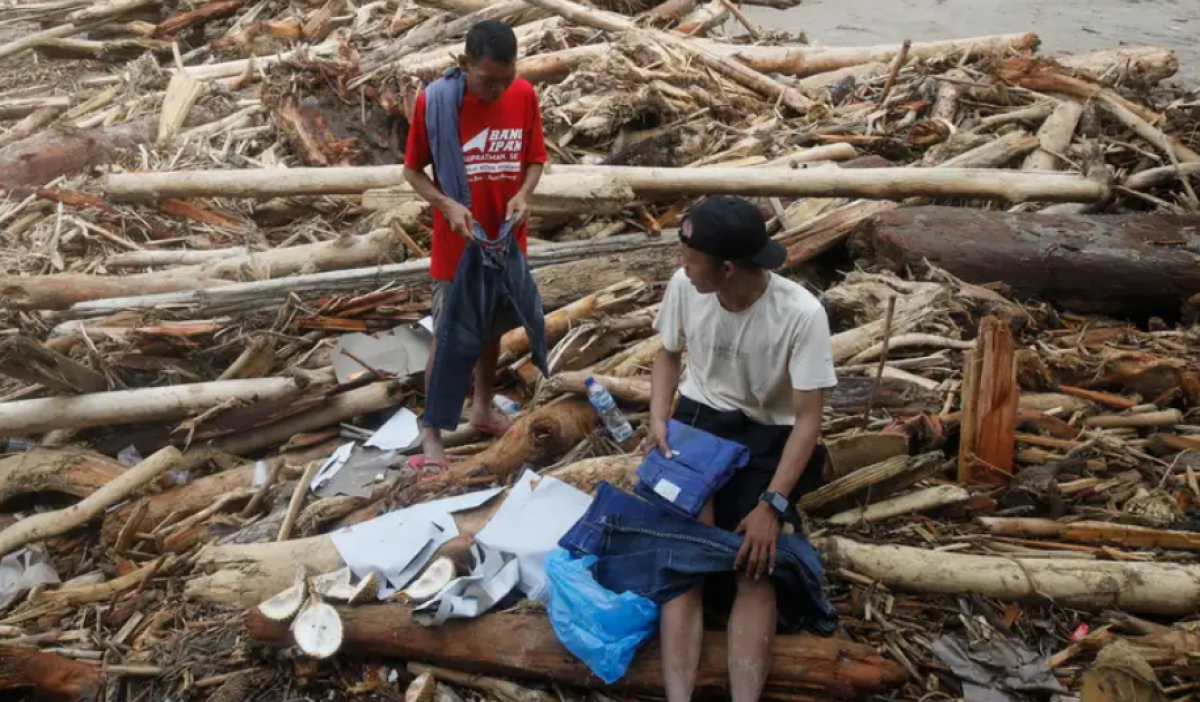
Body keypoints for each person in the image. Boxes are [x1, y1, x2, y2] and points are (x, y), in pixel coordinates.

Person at [645, 195, 837, 702]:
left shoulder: (800, 314)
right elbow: (667, 355)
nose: (680, 265)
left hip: (766, 433)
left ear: (727, 269)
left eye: (690, 257)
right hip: (698, 419)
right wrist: (658, 416)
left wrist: (772, 505)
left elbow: (808, 420)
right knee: (687, 557)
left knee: (754, 565)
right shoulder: (686, 286)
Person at [403, 19, 548, 471]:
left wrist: (523, 195)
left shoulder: (522, 95)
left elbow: (535, 159)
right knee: (448, 341)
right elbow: (412, 172)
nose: (498, 90)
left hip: (504, 243)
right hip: (457, 246)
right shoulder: (436, 104)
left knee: (492, 330)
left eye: (506, 78)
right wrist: (446, 204)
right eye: (488, 80)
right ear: (464, 64)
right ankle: (431, 432)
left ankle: (483, 408)